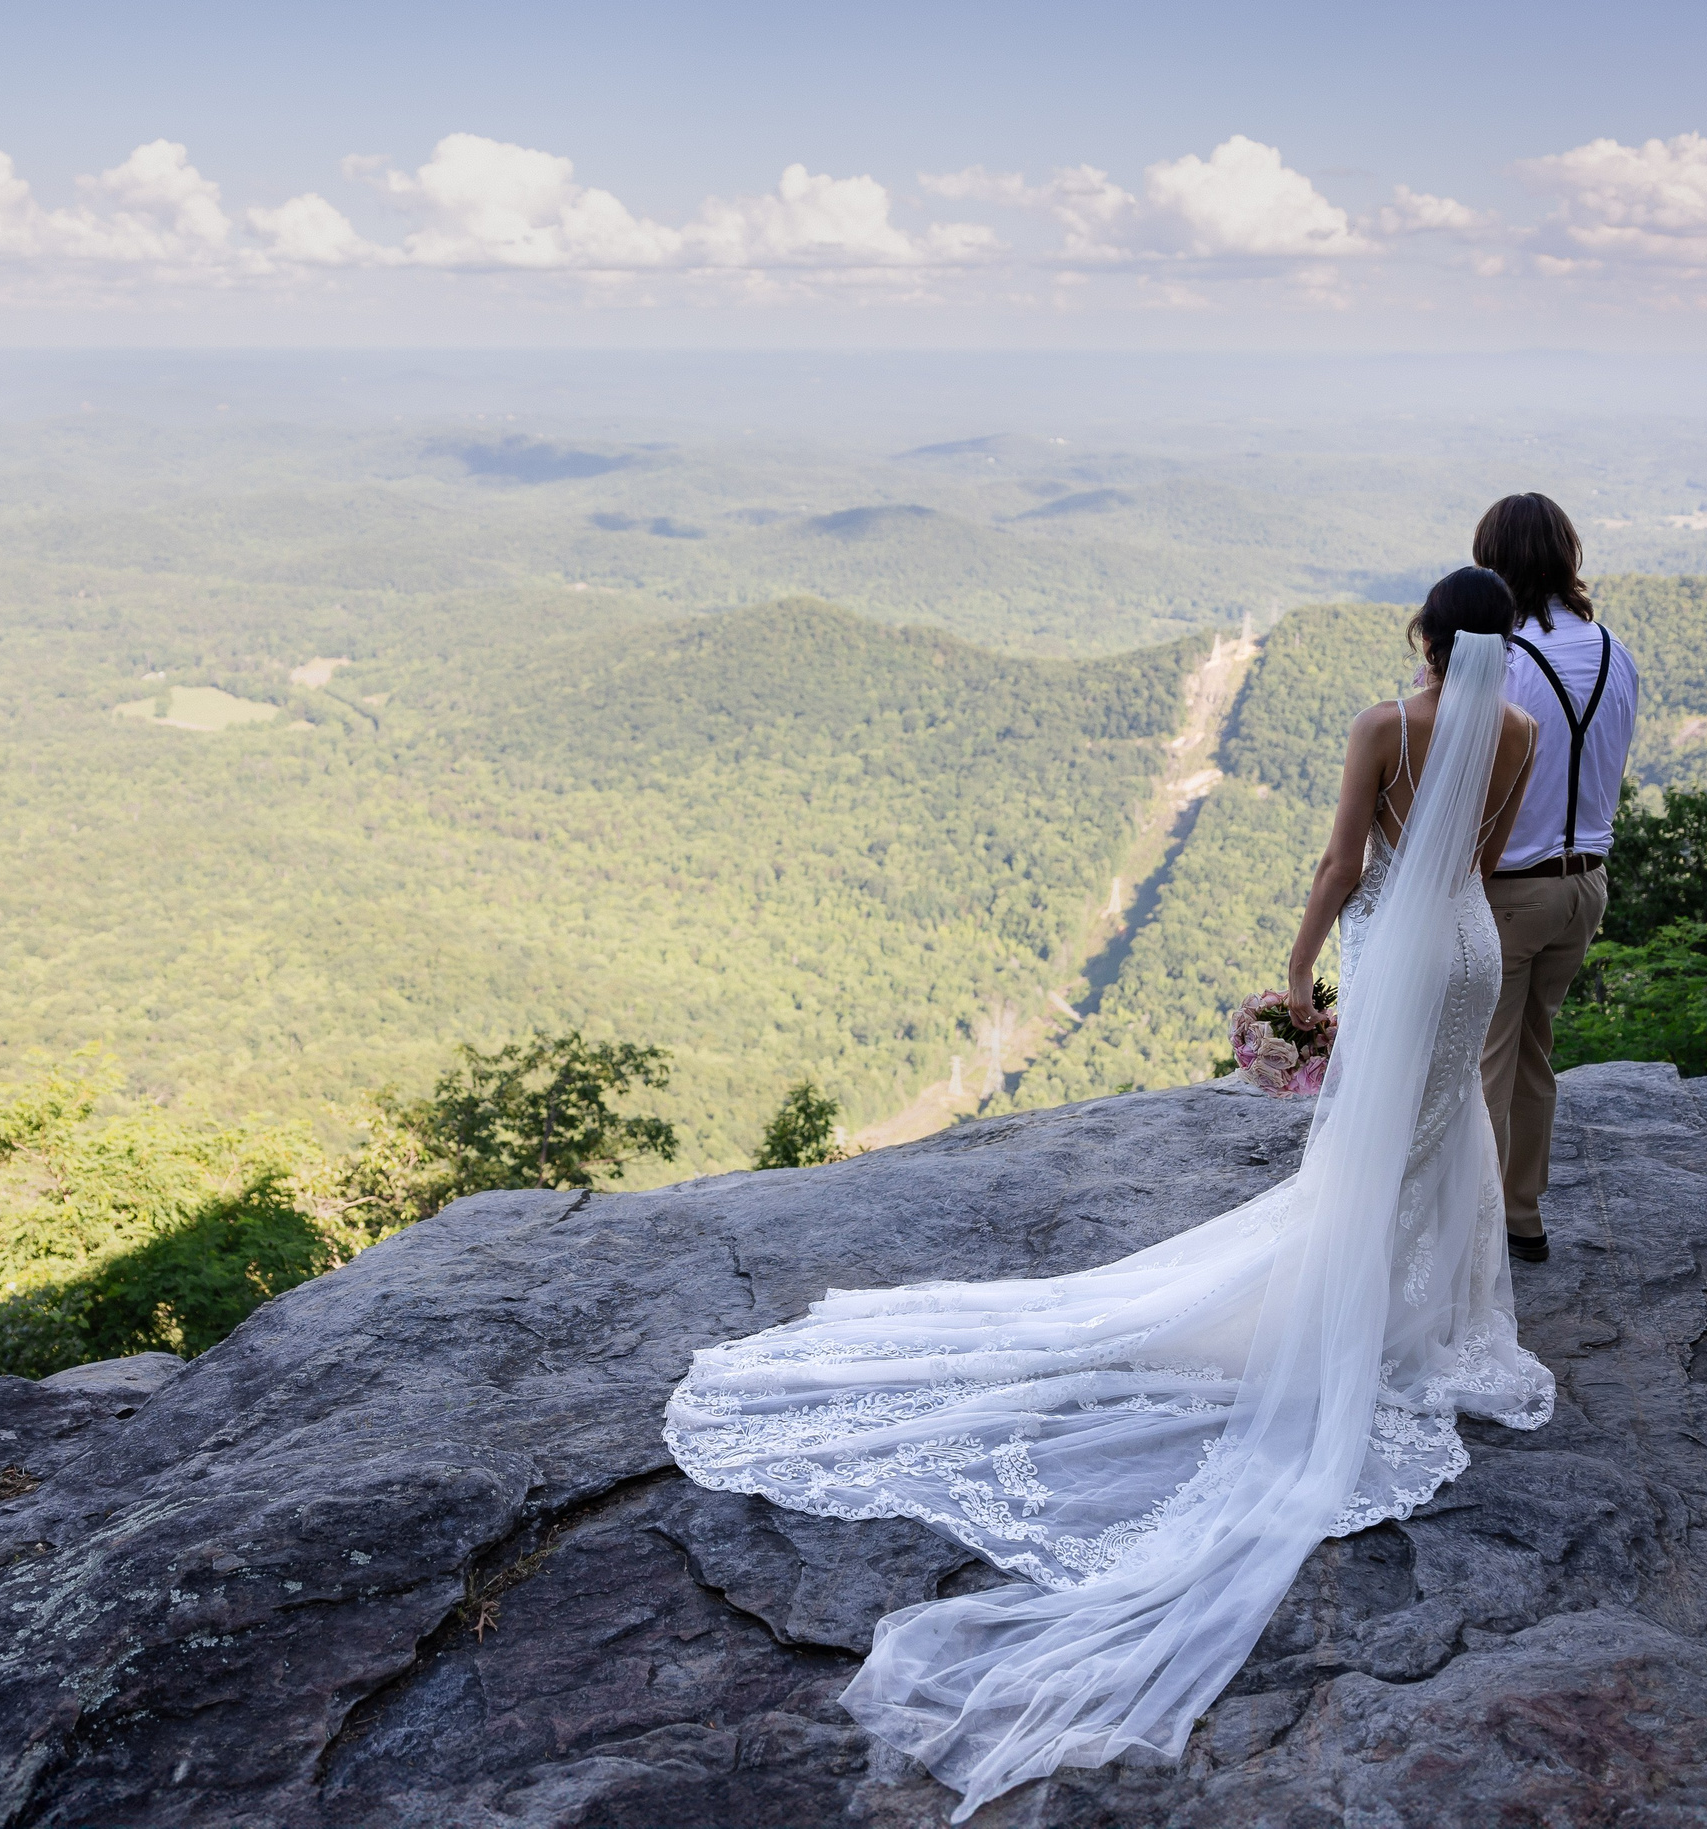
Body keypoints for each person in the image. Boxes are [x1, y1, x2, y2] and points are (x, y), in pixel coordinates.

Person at [665, 571, 1554, 1821]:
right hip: (1468, 949)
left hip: (1398, 951)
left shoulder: (1383, 724)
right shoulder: (1519, 728)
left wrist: (1300, 972)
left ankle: (1345, 1317)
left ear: (1423, 635)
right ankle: (1418, 1320)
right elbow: (1483, 857)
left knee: (1364, 1150)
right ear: (1501, 642)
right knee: (1438, 1130)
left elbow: (1343, 861)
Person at [1470, 494, 1640, 1263]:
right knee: (1533, 1049)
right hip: (1585, 887)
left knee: (1484, 1059)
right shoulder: (1615, 651)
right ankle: (1522, 1214)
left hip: (1511, 888)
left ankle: (1470, 1233)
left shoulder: (1501, 660)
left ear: (1495, 562)